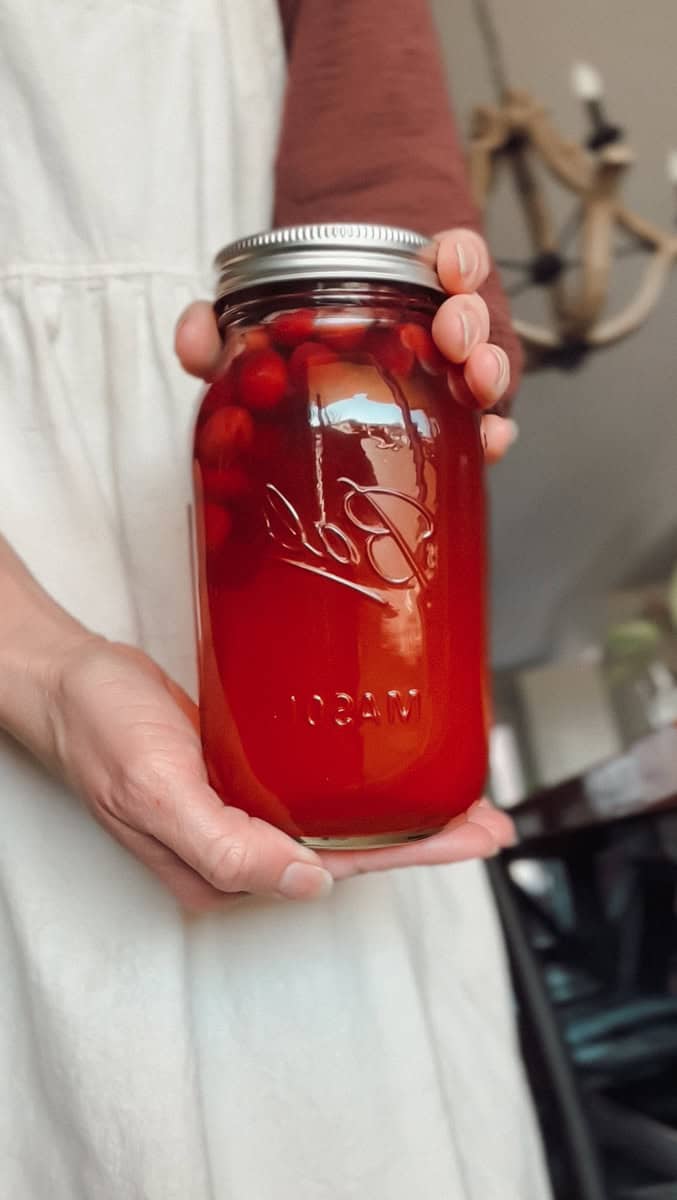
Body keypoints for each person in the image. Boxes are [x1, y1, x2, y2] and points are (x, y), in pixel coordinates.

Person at [0, 1, 550, 1197]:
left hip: (285, 334)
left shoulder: (288, 385)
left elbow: (377, 161)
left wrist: (448, 345)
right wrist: (37, 665)